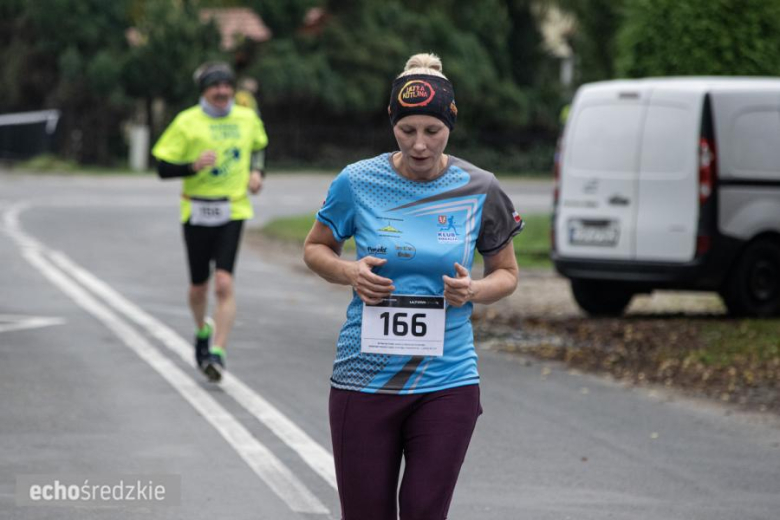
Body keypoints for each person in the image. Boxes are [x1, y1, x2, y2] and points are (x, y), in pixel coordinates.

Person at [303, 53, 523, 520]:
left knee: (424, 511)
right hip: (364, 377)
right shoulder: (358, 181)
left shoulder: (480, 188)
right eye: (407, 131)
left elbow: (506, 273)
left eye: (432, 131)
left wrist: (473, 292)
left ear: (451, 123)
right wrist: (350, 272)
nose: (419, 145)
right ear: (391, 122)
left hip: (447, 378)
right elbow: (315, 248)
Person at [152, 61, 268, 383]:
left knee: (224, 283)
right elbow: (162, 167)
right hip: (196, 211)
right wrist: (192, 166)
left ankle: (217, 352)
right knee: (198, 286)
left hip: (233, 209)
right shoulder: (186, 122)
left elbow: (259, 147)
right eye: (215, 87)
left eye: (226, 86)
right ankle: (202, 328)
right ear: (204, 91)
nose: (222, 92)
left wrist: (257, 172)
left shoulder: (246, 118)